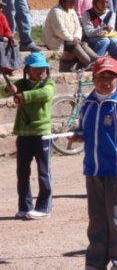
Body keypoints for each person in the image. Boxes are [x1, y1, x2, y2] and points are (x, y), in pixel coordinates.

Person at [70, 57, 117, 270]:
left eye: (111, 77)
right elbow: (86, 131)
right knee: (96, 221)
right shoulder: (88, 104)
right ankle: (95, 263)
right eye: (102, 76)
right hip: (93, 171)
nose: (106, 81)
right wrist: (78, 135)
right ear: (93, 78)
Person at [1, 52, 54, 220]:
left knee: (43, 172)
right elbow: (3, 93)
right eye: (36, 69)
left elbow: (45, 94)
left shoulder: (49, 83)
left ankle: (44, 206)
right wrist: (9, 89)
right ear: (27, 70)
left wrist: (24, 96)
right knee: (22, 172)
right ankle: (25, 207)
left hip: (42, 134)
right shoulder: (21, 83)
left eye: (43, 68)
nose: (41, 71)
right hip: (23, 135)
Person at [42, 0, 98, 71]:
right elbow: (60, 31)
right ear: (63, 1)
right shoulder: (56, 11)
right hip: (57, 40)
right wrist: (73, 39)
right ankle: (90, 64)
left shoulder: (72, 11)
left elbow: (78, 27)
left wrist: (76, 37)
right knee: (76, 46)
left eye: (73, 1)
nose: (73, 3)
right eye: (71, 1)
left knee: (84, 44)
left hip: (70, 40)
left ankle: (99, 60)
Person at [81, 0, 117, 66]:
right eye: (102, 2)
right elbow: (89, 33)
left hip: (105, 37)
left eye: (107, 2)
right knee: (104, 40)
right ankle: (96, 62)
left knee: (114, 41)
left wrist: (105, 32)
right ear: (96, 2)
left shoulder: (111, 14)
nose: (105, 5)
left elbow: (110, 29)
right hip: (91, 40)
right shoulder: (87, 14)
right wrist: (101, 30)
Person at [0, 0, 21, 73]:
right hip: (1, 40)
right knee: (1, 45)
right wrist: (2, 38)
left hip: (3, 40)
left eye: (1, 7)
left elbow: (7, 30)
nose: (0, 9)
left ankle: (10, 68)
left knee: (13, 45)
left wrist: (11, 38)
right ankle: (2, 68)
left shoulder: (2, 16)